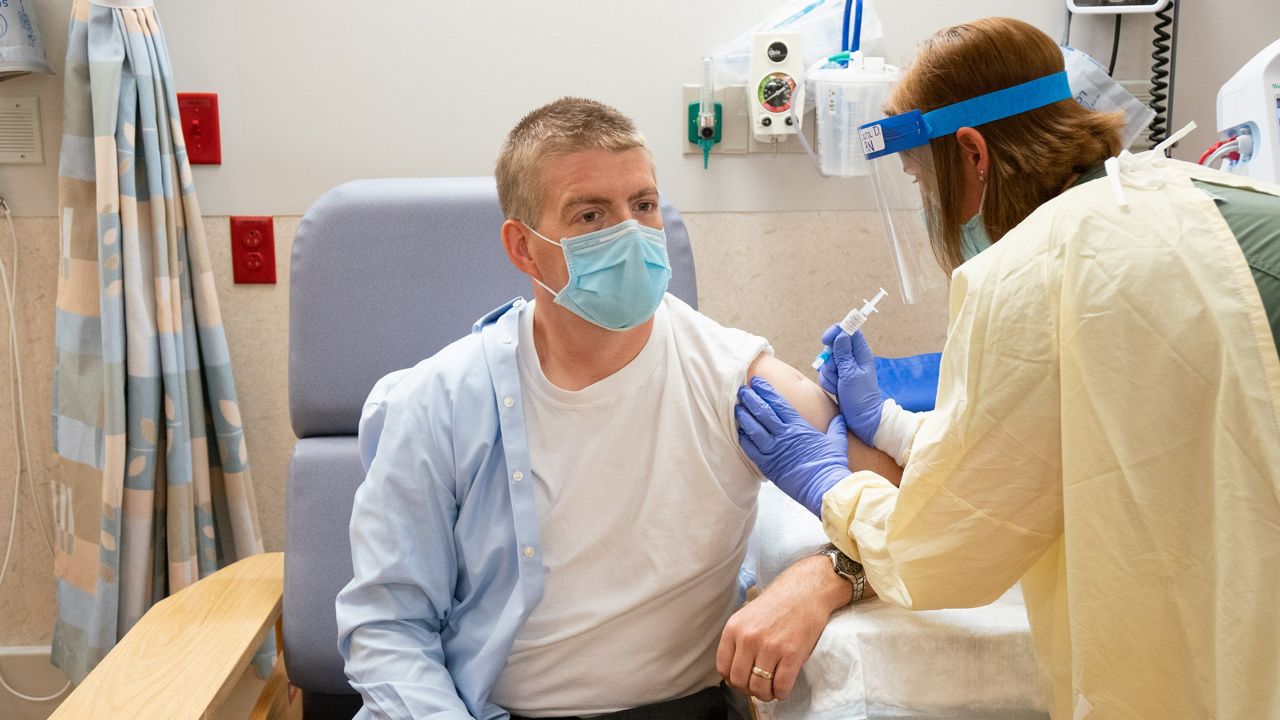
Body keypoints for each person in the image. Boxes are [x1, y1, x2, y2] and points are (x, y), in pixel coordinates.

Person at [735, 17, 1280, 720]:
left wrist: (829, 483)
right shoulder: (1221, 198)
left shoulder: (1029, 271)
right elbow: (1116, 433)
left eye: (924, 182)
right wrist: (895, 428)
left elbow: (947, 550)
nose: (933, 207)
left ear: (972, 154)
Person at [335, 97, 901, 720]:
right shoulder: (440, 402)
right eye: (590, 215)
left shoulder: (729, 375)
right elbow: (387, 628)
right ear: (523, 248)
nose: (629, 233)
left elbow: (914, 510)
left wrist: (823, 578)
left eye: (644, 205)